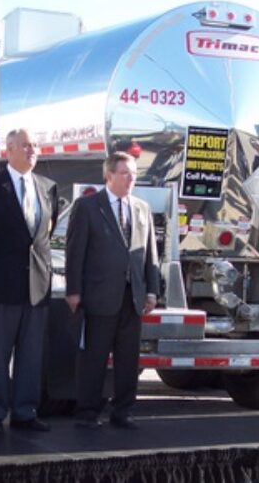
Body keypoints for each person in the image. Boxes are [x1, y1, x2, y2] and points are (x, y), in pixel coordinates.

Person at [0, 128, 58, 434]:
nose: (32, 150)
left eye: (35, 145)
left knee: (31, 356)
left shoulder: (47, 187)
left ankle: (25, 411)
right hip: (0, 284)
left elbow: (45, 234)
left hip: (37, 287)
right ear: (9, 149)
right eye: (26, 145)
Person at [65, 151, 160, 430]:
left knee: (128, 360)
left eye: (133, 174)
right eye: (125, 173)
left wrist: (152, 290)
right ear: (109, 176)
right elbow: (75, 252)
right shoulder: (88, 207)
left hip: (133, 298)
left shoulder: (141, 208)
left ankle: (123, 411)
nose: (131, 179)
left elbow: (150, 253)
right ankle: (87, 412)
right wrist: (74, 290)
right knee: (94, 357)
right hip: (99, 296)